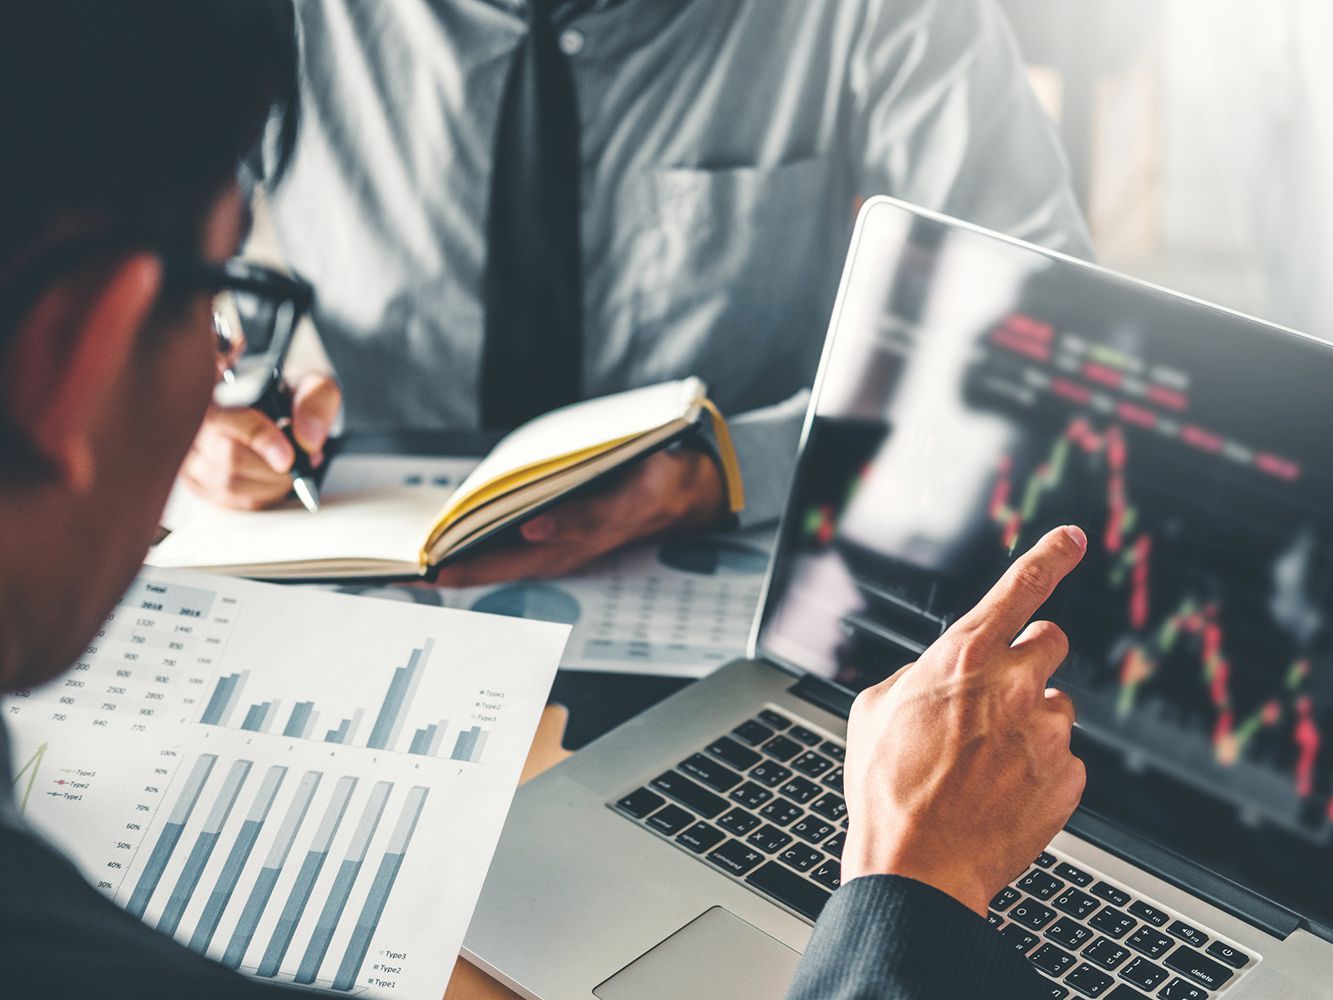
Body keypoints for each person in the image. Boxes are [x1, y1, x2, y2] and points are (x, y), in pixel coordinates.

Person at [0, 4, 1084, 998]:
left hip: (744, 622)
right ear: (75, 354)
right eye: (220, 296)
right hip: (385, 611)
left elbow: (1048, 338)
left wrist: (728, 463)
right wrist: (909, 904)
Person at [180, 0, 1092, 587]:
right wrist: (193, 395)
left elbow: (1043, 345)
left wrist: (731, 469)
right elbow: (135, 257)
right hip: (368, 547)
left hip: (745, 553)